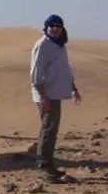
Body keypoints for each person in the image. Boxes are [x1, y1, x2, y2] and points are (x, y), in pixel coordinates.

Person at [29, 14, 80, 180]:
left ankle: (49, 165)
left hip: (55, 93)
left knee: (51, 130)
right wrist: (43, 96)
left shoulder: (59, 45)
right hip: (46, 95)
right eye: (51, 26)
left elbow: (64, 69)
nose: (54, 29)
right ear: (46, 27)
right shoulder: (43, 45)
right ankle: (43, 166)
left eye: (57, 26)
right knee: (48, 130)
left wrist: (73, 88)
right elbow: (35, 74)